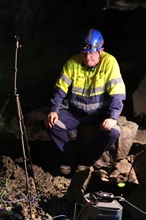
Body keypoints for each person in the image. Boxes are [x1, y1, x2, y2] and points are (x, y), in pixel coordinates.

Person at [45, 29, 126, 175]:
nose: (88, 58)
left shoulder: (109, 63)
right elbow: (60, 88)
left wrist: (113, 117)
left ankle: (86, 161)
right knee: (52, 123)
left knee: (113, 133)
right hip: (75, 113)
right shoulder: (73, 62)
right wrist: (54, 109)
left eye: (92, 53)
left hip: (99, 114)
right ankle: (69, 158)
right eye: (85, 53)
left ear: (101, 51)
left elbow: (118, 92)